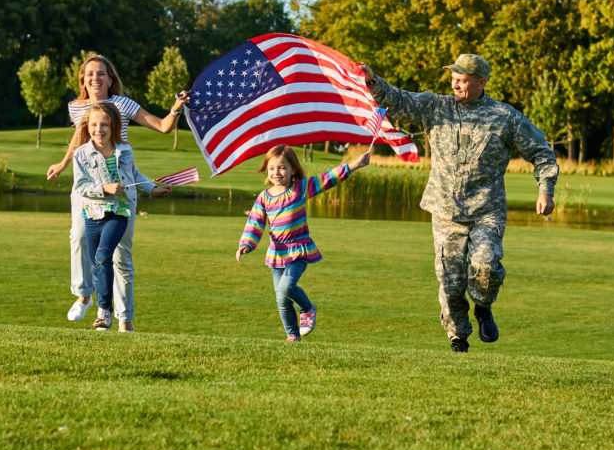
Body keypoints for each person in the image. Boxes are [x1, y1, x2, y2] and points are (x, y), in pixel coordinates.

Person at [361, 54, 559, 353]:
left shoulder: (505, 117)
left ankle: (482, 305)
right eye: (453, 76)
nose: (456, 82)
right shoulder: (435, 106)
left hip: (486, 210)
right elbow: (397, 101)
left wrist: (545, 189)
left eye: (463, 78)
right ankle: (458, 339)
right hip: (445, 211)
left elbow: (541, 152)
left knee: (485, 266)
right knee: (451, 283)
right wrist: (372, 81)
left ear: (481, 82)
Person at [47, 53, 189, 331]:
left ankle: (125, 321)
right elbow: (79, 139)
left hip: (122, 187)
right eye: (90, 74)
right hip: (89, 186)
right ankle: (84, 295)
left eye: (101, 73)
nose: (95, 78)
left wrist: (177, 107)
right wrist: (63, 164)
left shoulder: (121, 103)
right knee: (77, 237)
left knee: (121, 256)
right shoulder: (75, 107)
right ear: (82, 79)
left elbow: (161, 126)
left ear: (110, 79)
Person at [236, 144, 372, 342]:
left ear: (293, 170)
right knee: (281, 299)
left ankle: (307, 308)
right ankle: (293, 336)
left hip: (299, 250)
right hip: (277, 253)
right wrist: (246, 244)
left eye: (282, 167)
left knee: (286, 287)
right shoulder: (264, 198)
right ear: (266, 169)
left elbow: (328, 178)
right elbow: (255, 223)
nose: (277, 172)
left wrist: (355, 164)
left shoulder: (300, 189)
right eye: (272, 168)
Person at [72, 102, 171, 330]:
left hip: (120, 211)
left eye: (105, 124)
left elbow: (134, 175)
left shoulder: (124, 150)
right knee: (97, 263)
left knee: (105, 255)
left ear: (114, 126)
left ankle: (104, 313)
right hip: (93, 213)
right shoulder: (81, 154)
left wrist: (153, 189)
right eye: (94, 124)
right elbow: (81, 186)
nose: (99, 129)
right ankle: (104, 311)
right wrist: (104, 188)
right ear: (87, 127)